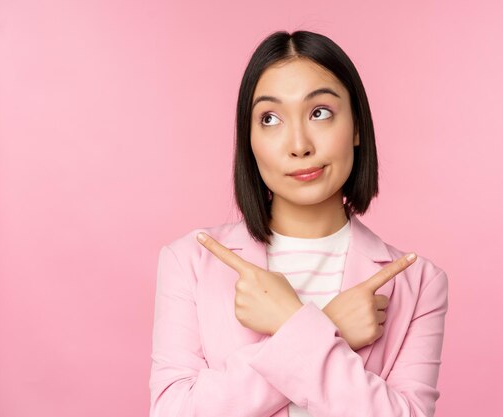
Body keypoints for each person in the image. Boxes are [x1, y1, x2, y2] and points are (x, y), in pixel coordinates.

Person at [149, 30, 449, 417]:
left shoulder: (419, 282)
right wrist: (324, 328)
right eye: (270, 118)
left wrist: (292, 324)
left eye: (319, 112)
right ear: (249, 139)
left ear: (357, 127)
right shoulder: (188, 262)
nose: (299, 144)